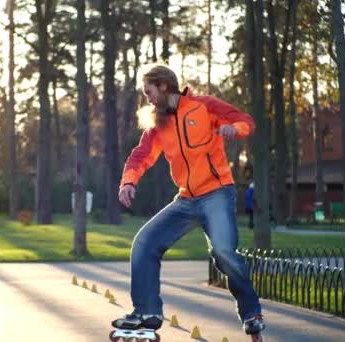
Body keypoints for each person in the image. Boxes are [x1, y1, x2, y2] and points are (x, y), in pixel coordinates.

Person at [112, 64, 265, 336]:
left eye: (148, 91)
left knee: (223, 254)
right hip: (186, 199)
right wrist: (128, 181)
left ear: (163, 85)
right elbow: (141, 155)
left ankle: (251, 312)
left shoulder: (203, 106)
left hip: (217, 193)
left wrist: (235, 129)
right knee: (145, 242)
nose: (147, 98)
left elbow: (244, 120)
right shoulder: (158, 123)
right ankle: (146, 310)